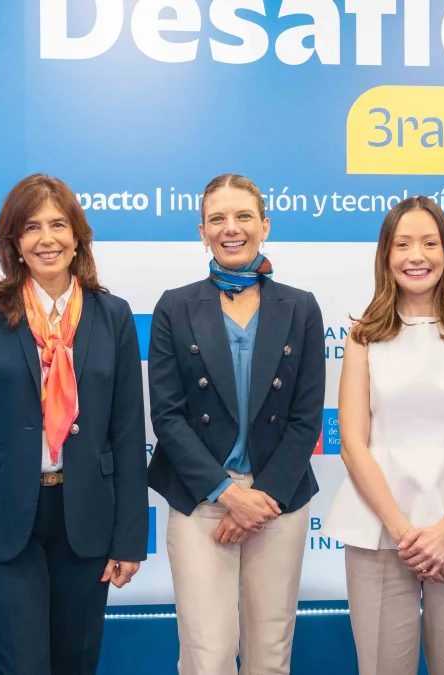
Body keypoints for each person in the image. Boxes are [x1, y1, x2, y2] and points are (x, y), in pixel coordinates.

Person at [0, 174, 149, 675]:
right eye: (31, 227)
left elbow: (127, 433)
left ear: (77, 237)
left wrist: (129, 540)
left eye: (57, 225)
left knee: (76, 664)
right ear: (14, 242)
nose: (46, 239)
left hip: (86, 520)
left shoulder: (113, 316)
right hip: (4, 521)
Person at [322, 197, 444, 675]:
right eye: (403, 244)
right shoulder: (364, 336)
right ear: (386, 255)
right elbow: (353, 445)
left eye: (430, 244)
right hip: (379, 534)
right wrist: (406, 535)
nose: (417, 256)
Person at [147, 174, 325, 674]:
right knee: (207, 656)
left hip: (277, 500)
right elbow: (167, 416)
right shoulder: (175, 306)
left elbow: (306, 417)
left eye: (244, 216)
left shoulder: (300, 307)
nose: (231, 228)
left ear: (264, 225)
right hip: (201, 499)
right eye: (217, 218)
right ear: (202, 231)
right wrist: (228, 494)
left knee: (270, 655)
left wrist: (258, 501)